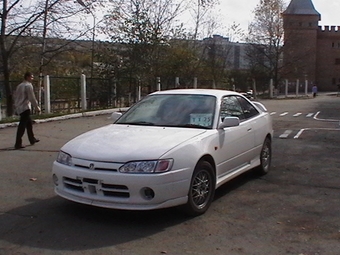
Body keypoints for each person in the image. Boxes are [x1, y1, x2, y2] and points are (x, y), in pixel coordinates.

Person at [14, 72, 41, 149]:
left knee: (29, 124)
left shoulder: (19, 85)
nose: (32, 78)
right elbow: (31, 98)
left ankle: (32, 139)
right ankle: (18, 143)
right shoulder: (28, 86)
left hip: (19, 107)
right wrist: (37, 107)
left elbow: (16, 97)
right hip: (25, 107)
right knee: (22, 126)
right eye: (31, 77)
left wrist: (16, 106)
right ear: (27, 77)